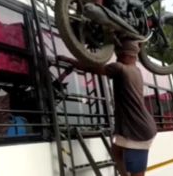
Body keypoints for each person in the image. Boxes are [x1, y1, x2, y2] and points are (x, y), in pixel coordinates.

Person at [57, 40, 157, 176]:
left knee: (137, 173)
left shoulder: (120, 68)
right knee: (116, 151)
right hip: (139, 126)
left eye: (119, 54)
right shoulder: (136, 70)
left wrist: (69, 60)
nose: (116, 56)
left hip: (137, 130)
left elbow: (91, 68)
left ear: (126, 55)